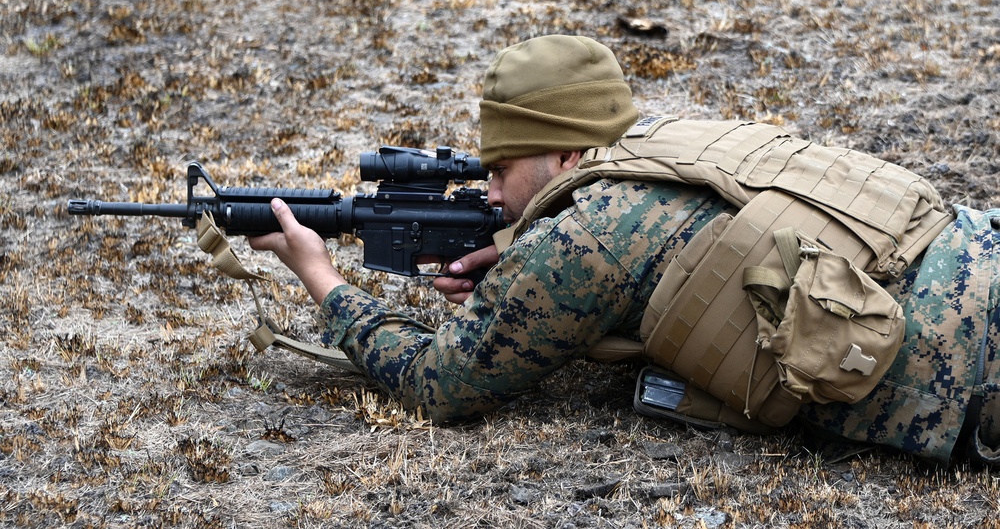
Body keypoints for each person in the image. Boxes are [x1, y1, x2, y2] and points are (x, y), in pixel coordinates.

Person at [248, 35, 999, 466]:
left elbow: (441, 385)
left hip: (970, 373)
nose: (495, 194)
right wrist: (522, 262)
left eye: (503, 169)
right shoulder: (668, 143)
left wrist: (321, 278)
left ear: (568, 155)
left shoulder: (582, 241)